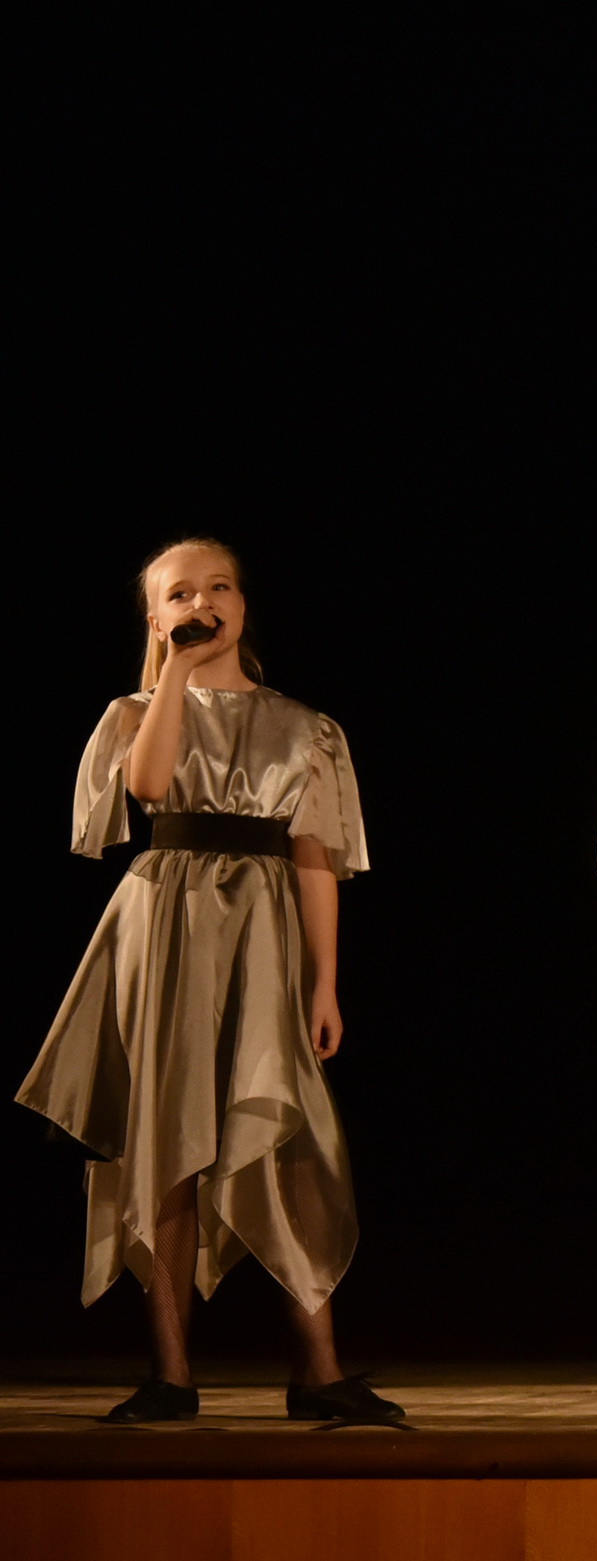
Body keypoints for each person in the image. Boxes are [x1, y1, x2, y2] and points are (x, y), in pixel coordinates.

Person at [18, 539, 402, 1424]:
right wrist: (178, 676)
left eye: (219, 586)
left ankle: (319, 1370)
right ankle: (171, 1373)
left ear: (243, 604)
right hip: (167, 923)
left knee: (287, 1131)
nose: (203, 602)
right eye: (181, 594)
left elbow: (315, 860)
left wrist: (325, 983)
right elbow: (150, 785)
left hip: (262, 931)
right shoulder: (136, 711)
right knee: (166, 1136)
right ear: (157, 620)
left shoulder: (305, 726)